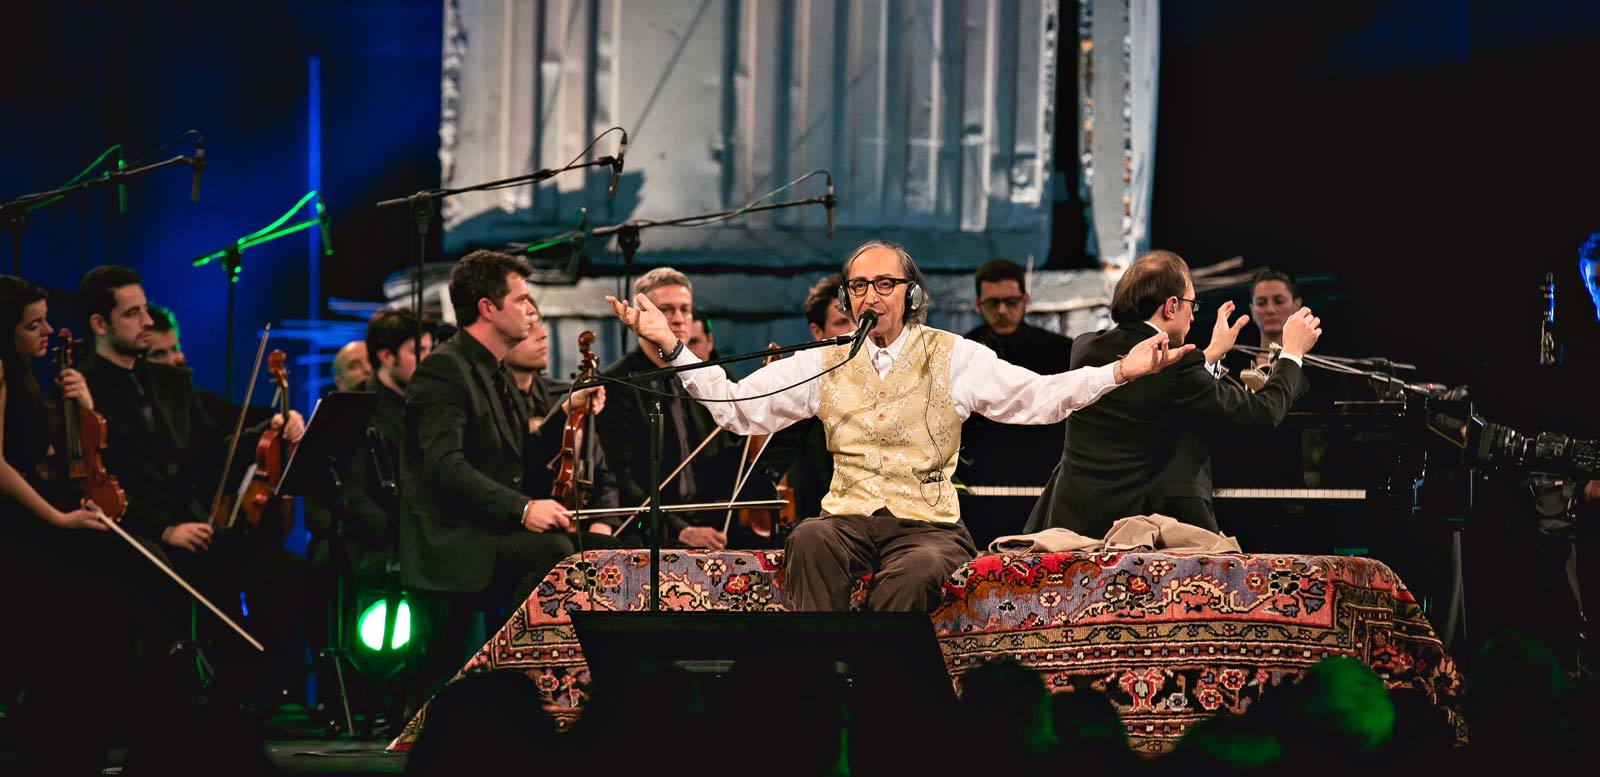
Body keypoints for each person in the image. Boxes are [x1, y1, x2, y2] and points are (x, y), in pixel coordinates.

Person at [607, 240, 1188, 611]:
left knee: (918, 571)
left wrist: (1117, 371)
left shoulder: (951, 354)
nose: (870, 295)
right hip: (848, 519)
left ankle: (879, 688)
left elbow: (1037, 398)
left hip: (926, 526)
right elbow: (738, 410)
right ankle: (818, 683)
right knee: (809, 536)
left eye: (885, 284)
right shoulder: (827, 359)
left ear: (911, 296)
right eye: (859, 286)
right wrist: (672, 347)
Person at [1025, 250, 1320, 538]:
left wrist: (1210, 354)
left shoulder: (1085, 346)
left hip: (1071, 523)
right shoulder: (1177, 368)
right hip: (1132, 534)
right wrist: (1292, 353)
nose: (1192, 316)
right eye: (1191, 303)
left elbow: (1153, 394)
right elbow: (1261, 415)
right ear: (1171, 307)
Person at [400, 250, 580, 674]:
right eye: (521, 300)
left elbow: (524, 455)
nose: (531, 312)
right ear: (487, 308)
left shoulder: (497, 372)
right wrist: (523, 509)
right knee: (552, 552)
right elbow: (445, 467)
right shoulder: (444, 370)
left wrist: (571, 417)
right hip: (452, 538)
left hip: (489, 528)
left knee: (593, 550)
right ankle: (524, 677)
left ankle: (576, 684)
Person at [597, 267, 745, 550]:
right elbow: (620, 479)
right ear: (642, 316)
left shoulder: (703, 377)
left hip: (710, 522)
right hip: (648, 530)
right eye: (666, 310)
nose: (678, 319)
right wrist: (679, 530)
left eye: (685, 310)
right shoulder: (617, 383)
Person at [958, 259, 1075, 544]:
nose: (1001, 311)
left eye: (1011, 302)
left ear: (1025, 300)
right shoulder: (959, 354)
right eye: (992, 303)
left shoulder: (1062, 351)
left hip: (1044, 479)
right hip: (978, 484)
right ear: (977, 303)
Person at [501, 297, 620, 534]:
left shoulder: (561, 394)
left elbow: (602, 475)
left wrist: (603, 524)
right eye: (529, 327)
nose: (543, 334)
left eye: (539, 323)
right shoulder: (496, 399)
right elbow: (520, 468)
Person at [761, 274, 853, 522]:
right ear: (817, 331)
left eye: (858, 320)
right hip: (816, 527)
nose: (854, 331)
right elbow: (764, 471)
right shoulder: (801, 390)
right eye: (842, 322)